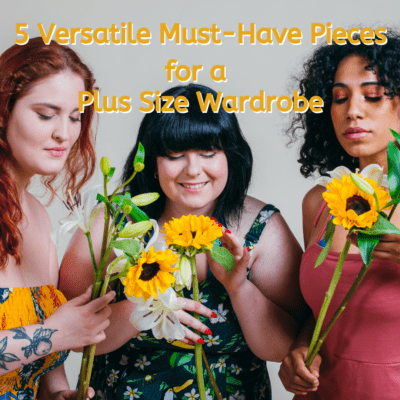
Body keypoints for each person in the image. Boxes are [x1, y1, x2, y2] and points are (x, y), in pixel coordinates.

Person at [59, 83, 305, 400]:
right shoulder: (110, 223)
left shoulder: (263, 228)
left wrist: (238, 287)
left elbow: (289, 348)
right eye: (175, 154)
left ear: (230, 156)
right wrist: (146, 306)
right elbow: (71, 338)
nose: (193, 170)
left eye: (208, 153)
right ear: (150, 160)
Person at [279, 30, 400, 399]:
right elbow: (323, 310)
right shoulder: (319, 202)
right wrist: (300, 351)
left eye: (374, 95)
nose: (353, 111)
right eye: (339, 98)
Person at [0, 38, 115, 400]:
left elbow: (41, 368)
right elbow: (52, 334)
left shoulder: (38, 214)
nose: (63, 134)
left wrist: (60, 393)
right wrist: (53, 334)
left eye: (75, 117)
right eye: (46, 114)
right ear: (3, 110)